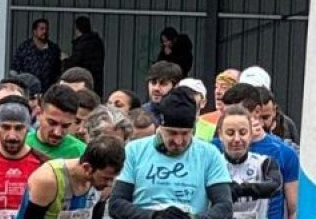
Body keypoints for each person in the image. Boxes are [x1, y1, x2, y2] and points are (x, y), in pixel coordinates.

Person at [109, 88, 232, 219]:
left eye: (185, 134)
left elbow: (224, 207)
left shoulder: (209, 154)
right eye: (172, 133)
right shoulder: (134, 150)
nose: (178, 141)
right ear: (160, 128)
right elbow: (116, 204)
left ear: (194, 129)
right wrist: (154, 216)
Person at [216, 83, 298, 219]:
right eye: (226, 114)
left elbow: (294, 209)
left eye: (239, 112)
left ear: (257, 112)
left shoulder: (284, 152)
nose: (232, 118)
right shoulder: (212, 150)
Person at [18, 136, 126, 219]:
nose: (110, 184)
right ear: (87, 168)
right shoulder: (48, 179)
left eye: (113, 178)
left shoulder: (103, 184)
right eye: (106, 178)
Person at [217, 105, 281, 219]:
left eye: (242, 132)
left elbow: (275, 186)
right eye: (230, 133)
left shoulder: (264, 163)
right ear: (221, 135)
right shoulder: (212, 165)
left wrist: (240, 189)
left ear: (251, 134)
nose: (237, 139)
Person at [25, 86, 85, 160]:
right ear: (39, 114)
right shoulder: (23, 144)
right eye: (52, 123)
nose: (57, 132)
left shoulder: (82, 153)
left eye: (65, 126)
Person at [11, 19, 62, 94]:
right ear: (34, 31)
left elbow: (58, 71)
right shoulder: (24, 48)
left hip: (48, 92)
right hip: (28, 91)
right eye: (41, 29)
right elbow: (14, 69)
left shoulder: (54, 49)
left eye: (46, 29)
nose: (45, 32)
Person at [60, 17, 104, 95]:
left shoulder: (82, 44)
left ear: (77, 29)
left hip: (81, 82)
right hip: (96, 80)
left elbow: (75, 62)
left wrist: (65, 60)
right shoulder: (97, 42)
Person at [142, 62, 183, 126]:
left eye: (163, 84)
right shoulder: (140, 113)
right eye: (153, 83)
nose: (156, 88)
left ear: (176, 87)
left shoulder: (185, 114)